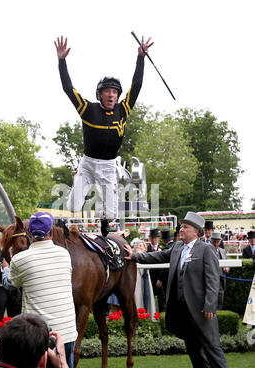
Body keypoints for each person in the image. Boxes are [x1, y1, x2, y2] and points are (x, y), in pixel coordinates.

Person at [124, 211, 235, 368]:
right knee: (193, 348)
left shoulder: (205, 249)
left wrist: (210, 304)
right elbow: (156, 256)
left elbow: (212, 280)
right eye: (181, 226)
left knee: (212, 349)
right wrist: (135, 256)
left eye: (185, 227)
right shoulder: (177, 247)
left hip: (202, 310)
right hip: (183, 311)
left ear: (196, 232)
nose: (181, 229)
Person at [54, 35, 153, 236]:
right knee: (73, 206)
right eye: (107, 92)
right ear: (100, 95)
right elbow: (68, 88)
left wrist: (140, 58)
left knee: (112, 213)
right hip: (88, 164)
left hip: (109, 166)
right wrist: (61, 61)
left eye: (115, 93)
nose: (111, 95)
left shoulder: (123, 109)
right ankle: (64, 223)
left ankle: (105, 225)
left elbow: (137, 85)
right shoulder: (87, 109)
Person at [2, 211, 77, 368]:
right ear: (51, 231)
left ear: (28, 231)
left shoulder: (20, 260)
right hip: (67, 333)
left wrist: (5, 269)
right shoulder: (64, 254)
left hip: (38, 336)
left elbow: (10, 284)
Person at [156, 229, 174, 312]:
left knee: (165, 299)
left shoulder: (166, 248)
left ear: (163, 240)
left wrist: (160, 279)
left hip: (166, 278)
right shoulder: (175, 246)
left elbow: (164, 267)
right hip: (174, 276)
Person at [147, 229, 165, 312]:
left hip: (159, 277)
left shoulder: (162, 248)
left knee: (161, 299)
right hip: (150, 277)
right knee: (150, 297)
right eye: (152, 238)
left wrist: (160, 278)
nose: (154, 240)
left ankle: (162, 315)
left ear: (158, 238)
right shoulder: (147, 248)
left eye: (155, 238)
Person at [210, 231, 229, 309]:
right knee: (211, 295)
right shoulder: (207, 250)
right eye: (214, 242)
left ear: (220, 242)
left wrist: (227, 268)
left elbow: (226, 262)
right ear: (211, 241)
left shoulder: (222, 251)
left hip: (221, 278)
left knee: (221, 295)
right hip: (211, 278)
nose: (216, 244)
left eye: (217, 242)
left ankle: (219, 311)